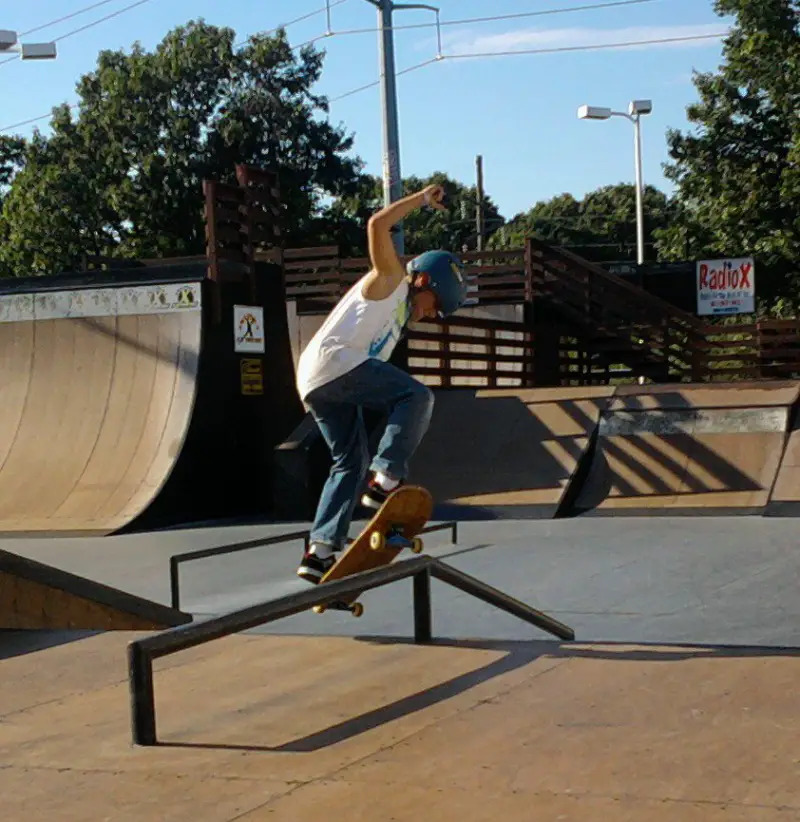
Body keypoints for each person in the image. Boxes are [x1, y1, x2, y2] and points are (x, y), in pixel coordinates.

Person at [294, 183, 468, 583]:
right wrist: (422, 200)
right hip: (335, 365)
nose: (431, 315)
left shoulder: (396, 324)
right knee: (417, 396)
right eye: (435, 305)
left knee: (348, 461)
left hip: (318, 382)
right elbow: (377, 224)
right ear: (424, 282)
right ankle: (385, 477)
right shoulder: (391, 279)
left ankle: (319, 550)